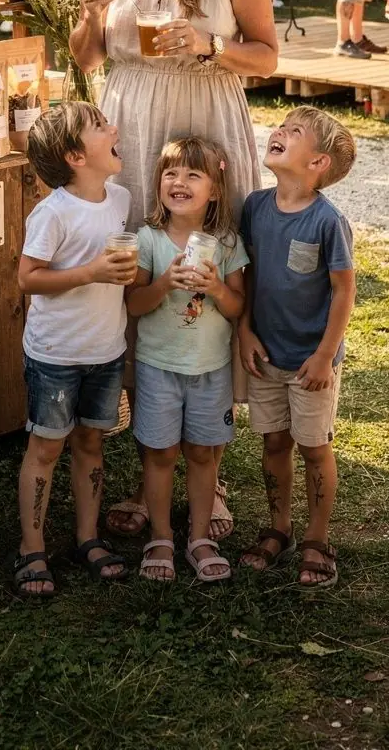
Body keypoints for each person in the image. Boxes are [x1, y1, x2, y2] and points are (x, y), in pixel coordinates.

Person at [69, 0, 277, 541]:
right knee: (138, 277)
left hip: (205, 120)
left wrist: (214, 46)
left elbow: (268, 56)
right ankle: (146, 459)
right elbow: (87, 56)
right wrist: (90, 10)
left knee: (206, 274)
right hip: (130, 120)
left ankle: (208, 476)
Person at [12, 102, 135, 598]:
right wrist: (92, 272)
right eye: (100, 127)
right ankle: (31, 547)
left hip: (106, 350)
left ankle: (88, 537)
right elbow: (27, 279)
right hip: (56, 355)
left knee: (91, 443)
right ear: (75, 156)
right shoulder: (53, 212)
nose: (114, 129)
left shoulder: (121, 200)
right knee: (46, 448)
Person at [237, 107, 357, 589]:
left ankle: (317, 537)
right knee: (274, 443)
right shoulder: (254, 206)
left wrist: (326, 354)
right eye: (281, 126)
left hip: (312, 362)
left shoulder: (329, 222)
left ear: (318, 163)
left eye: (295, 132)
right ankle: (279, 526)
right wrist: (244, 328)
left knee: (313, 446)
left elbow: (344, 291)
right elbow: (244, 273)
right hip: (265, 355)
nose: (279, 132)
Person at [127, 138, 247, 584]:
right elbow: (134, 306)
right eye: (171, 174)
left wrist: (216, 289)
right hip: (158, 365)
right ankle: (160, 536)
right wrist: (163, 284)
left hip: (209, 368)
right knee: (159, 454)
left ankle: (198, 538)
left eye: (193, 175)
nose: (179, 183)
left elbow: (237, 309)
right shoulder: (147, 239)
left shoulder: (227, 242)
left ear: (214, 190)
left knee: (202, 454)